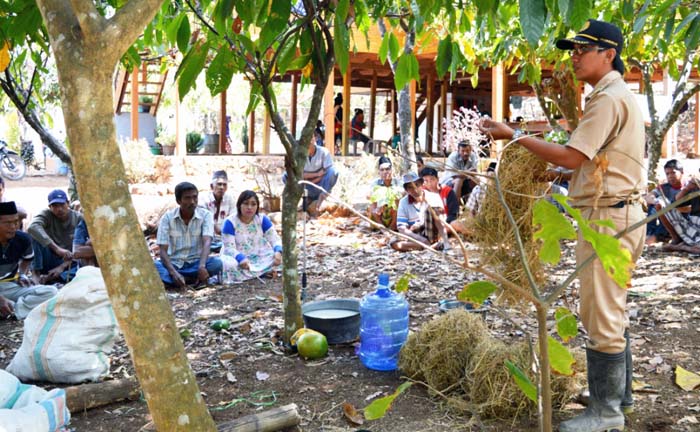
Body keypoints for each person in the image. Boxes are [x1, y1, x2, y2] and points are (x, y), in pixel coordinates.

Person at [479, 19, 645, 432]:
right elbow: (593, 164)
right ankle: (617, 395)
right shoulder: (613, 95)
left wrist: (513, 136)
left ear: (608, 55)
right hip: (619, 210)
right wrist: (553, 178)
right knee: (611, 309)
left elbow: (572, 156)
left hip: (608, 219)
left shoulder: (607, 98)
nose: (574, 57)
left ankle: (606, 414)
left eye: (582, 50)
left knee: (601, 313)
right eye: (572, 50)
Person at [155, 182, 222, 289]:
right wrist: (173, 273)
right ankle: (187, 279)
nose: (192, 202)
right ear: (178, 201)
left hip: (196, 263)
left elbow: (207, 242)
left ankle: (178, 281)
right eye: (187, 198)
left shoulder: (205, 215)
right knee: (154, 266)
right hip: (174, 264)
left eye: (195, 197)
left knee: (216, 263)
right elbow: (162, 250)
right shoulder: (167, 218)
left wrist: (202, 266)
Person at [0, 201, 57, 319]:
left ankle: (13, 309)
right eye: (7, 223)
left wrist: (21, 274)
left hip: (10, 286)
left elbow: (27, 259)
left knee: (51, 292)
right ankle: (8, 307)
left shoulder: (22, 239)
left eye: (16, 222)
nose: (13, 227)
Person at [220, 191, 282, 284]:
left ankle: (260, 272)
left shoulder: (262, 219)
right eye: (246, 203)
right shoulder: (230, 222)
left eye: (253, 204)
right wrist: (240, 258)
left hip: (259, 254)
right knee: (228, 264)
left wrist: (278, 251)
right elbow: (229, 248)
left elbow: (274, 239)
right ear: (239, 205)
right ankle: (263, 272)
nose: (249, 207)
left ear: (257, 207)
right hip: (238, 257)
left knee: (284, 256)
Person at [27, 189, 83, 284]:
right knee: (34, 236)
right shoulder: (46, 214)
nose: (59, 209)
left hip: (70, 261)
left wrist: (62, 267)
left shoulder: (78, 218)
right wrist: (56, 249)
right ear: (50, 207)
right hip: (49, 257)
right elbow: (32, 227)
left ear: (68, 203)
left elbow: (82, 248)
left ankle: (51, 278)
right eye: (55, 206)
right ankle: (36, 273)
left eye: (62, 205)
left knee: (82, 270)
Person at [391, 173, 450, 252]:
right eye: (410, 187)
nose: (415, 189)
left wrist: (446, 242)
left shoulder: (433, 197)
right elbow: (401, 227)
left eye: (416, 185)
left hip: (431, 232)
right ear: (407, 190)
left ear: (422, 184)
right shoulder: (403, 202)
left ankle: (431, 245)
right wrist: (420, 238)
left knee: (432, 210)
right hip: (415, 236)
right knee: (394, 243)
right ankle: (430, 247)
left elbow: (441, 222)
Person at [284, 135, 339, 216]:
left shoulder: (323, 152)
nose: (309, 141)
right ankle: (302, 198)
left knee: (333, 171)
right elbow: (299, 175)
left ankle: (322, 197)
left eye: (311, 138)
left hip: (321, 185)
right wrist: (317, 174)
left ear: (314, 139)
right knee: (286, 176)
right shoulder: (298, 154)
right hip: (304, 186)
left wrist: (311, 178)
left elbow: (327, 172)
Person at [645, 159, 686, 245]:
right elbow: (648, 197)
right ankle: (649, 234)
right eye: (667, 174)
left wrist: (673, 208)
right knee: (654, 205)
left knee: (668, 212)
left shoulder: (688, 187)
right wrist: (656, 201)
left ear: (682, 172)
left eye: (673, 173)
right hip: (665, 219)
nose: (670, 176)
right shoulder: (664, 188)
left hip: (682, 221)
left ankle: (657, 237)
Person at [657, 175, 700, 253]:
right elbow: (676, 203)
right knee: (661, 205)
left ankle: (680, 247)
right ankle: (676, 239)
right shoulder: (695, 188)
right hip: (692, 225)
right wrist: (687, 188)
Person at [420, 167, 466, 234]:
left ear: (437, 179)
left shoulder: (448, 191)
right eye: (426, 181)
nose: (429, 183)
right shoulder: (422, 193)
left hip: (446, 223)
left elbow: (454, 213)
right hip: (427, 224)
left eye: (432, 180)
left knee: (456, 224)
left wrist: (445, 223)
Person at [199, 170, 236, 252]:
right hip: (207, 238)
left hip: (225, 237)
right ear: (212, 186)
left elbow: (234, 219)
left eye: (224, 185)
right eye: (219, 184)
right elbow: (206, 220)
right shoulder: (203, 199)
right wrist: (219, 231)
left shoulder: (230, 199)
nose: (222, 187)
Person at [368, 156, 403, 230]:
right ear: (379, 172)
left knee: (397, 201)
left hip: (394, 213)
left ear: (392, 170)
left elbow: (402, 194)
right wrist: (380, 204)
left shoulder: (398, 182)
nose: (385, 172)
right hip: (379, 213)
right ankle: (382, 228)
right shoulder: (375, 183)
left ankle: (392, 228)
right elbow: (369, 196)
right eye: (382, 170)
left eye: (387, 169)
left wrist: (387, 201)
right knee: (371, 205)